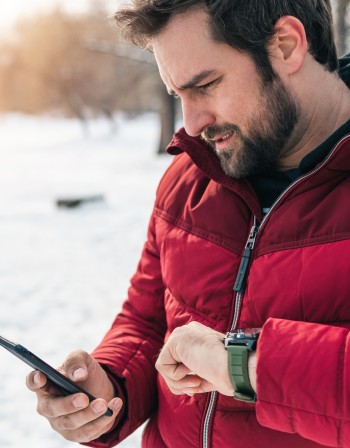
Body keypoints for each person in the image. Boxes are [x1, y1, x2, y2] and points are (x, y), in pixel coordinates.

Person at [26, 1, 350, 447]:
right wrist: (108, 388)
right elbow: (148, 318)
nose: (192, 124)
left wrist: (244, 364)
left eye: (206, 85)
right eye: (179, 95)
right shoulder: (189, 177)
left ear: (286, 45)